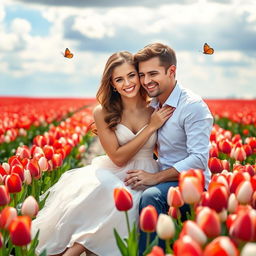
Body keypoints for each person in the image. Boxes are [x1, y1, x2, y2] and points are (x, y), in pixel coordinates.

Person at [32, 51, 174, 256]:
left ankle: (73, 251)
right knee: (107, 195)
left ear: (139, 76)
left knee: (120, 204)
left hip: (143, 174)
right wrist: (150, 128)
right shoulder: (103, 111)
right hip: (115, 170)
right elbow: (117, 157)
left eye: (131, 75)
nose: (127, 83)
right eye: (119, 79)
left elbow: (167, 148)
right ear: (112, 84)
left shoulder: (155, 109)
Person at [123, 42, 213, 254]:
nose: (146, 81)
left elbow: (199, 159)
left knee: (150, 196)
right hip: (161, 175)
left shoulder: (192, 106)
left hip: (189, 184)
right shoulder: (153, 104)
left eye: (152, 73)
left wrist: (155, 178)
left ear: (171, 71)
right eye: (142, 75)